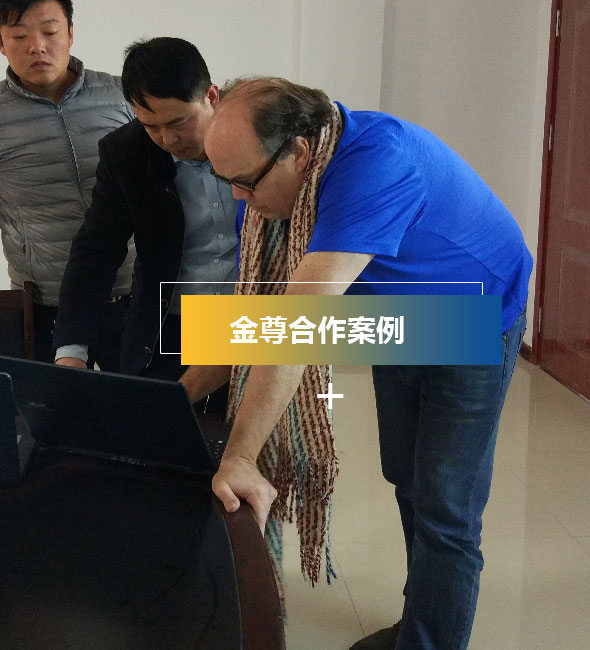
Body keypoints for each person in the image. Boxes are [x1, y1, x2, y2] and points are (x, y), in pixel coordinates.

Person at [179, 77, 533, 650]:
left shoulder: (376, 167)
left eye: (245, 183)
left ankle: (430, 640)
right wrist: (180, 395)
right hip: (401, 314)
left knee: (446, 508)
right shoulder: (275, 186)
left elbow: (295, 330)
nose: (239, 199)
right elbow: (257, 317)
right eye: (228, 183)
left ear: (298, 151)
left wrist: (240, 456)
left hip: (475, 313)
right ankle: (424, 620)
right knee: (406, 476)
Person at [53, 37, 237, 413]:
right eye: (151, 126)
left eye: (179, 122)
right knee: (159, 434)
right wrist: (72, 351)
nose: (167, 139)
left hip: (260, 318)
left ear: (211, 97)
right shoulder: (127, 153)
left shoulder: (258, 136)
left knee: (262, 439)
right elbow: (96, 251)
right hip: (173, 325)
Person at [0, 0, 135, 366]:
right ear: (1, 43)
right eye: (19, 36)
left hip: (133, 295)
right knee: (48, 403)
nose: (37, 47)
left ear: (70, 33)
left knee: (149, 400)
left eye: (49, 31)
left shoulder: (122, 96)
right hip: (45, 304)